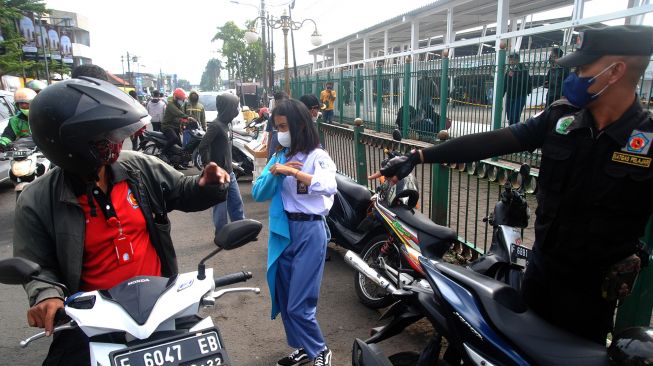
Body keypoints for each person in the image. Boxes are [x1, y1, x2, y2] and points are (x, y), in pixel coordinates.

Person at [371, 25, 653, 345]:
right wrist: (419, 156)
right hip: (540, 273)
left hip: (591, 294)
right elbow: (493, 142)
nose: (574, 75)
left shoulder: (647, 142)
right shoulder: (561, 119)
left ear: (614, 72)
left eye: (583, 67)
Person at [14, 76, 230, 365]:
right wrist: (46, 296)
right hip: (93, 323)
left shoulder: (138, 167)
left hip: (160, 308)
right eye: (101, 139)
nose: (114, 143)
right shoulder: (36, 200)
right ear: (69, 144)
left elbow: (181, 190)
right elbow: (37, 269)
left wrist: (206, 184)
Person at [252, 99, 336, 366]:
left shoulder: (317, 156)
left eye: (284, 126)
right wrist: (277, 173)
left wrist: (292, 173)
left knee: (300, 301)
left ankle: (320, 350)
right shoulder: (278, 157)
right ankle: (302, 347)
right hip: (283, 231)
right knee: (284, 295)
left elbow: (328, 186)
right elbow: (258, 192)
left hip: (310, 231)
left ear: (300, 125)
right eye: (276, 128)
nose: (279, 133)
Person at [198, 93, 246, 239]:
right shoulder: (216, 126)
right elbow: (203, 146)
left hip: (230, 173)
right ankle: (221, 235)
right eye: (234, 107)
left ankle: (242, 230)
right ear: (227, 108)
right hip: (219, 175)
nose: (236, 111)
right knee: (220, 206)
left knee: (236, 202)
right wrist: (209, 166)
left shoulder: (226, 125)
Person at [161, 88, 190, 169]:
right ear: (176, 98)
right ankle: (162, 153)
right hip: (167, 127)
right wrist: (188, 117)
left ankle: (176, 164)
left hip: (174, 128)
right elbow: (178, 113)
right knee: (174, 138)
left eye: (183, 100)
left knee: (179, 147)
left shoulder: (178, 105)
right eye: (181, 100)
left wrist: (185, 121)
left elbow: (177, 117)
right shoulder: (171, 105)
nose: (182, 101)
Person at [504, 52, 532, 125]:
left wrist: (513, 76)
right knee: (510, 117)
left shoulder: (523, 69)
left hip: (520, 95)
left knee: (515, 116)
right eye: (510, 60)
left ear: (518, 60)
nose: (511, 62)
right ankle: (511, 130)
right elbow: (505, 84)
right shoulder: (508, 70)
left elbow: (525, 82)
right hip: (510, 96)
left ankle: (515, 132)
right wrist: (501, 95)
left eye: (512, 60)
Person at [267, 91, 289, 160]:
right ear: (275, 103)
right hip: (274, 151)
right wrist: (268, 155)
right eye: (279, 103)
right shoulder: (271, 119)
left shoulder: (291, 117)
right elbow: (270, 137)